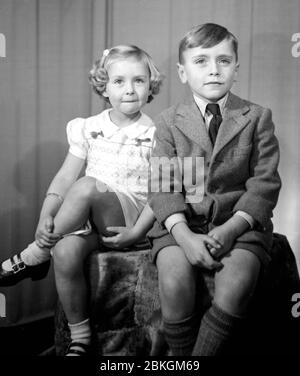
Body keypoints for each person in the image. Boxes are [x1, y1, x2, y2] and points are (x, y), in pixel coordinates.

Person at [0, 45, 163, 355]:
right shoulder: (88, 128)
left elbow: (162, 192)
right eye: (118, 81)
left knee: (88, 185)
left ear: (150, 85)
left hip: (130, 220)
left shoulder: (156, 134)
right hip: (89, 221)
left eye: (139, 81)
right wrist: (46, 215)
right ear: (103, 85)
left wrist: (138, 231)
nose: (129, 90)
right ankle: (81, 337)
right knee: (64, 250)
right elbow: (64, 177)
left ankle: (35, 255)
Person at [143, 23, 281, 356]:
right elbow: (163, 187)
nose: (214, 70)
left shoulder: (257, 117)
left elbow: (265, 182)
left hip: (240, 223)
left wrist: (234, 228)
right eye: (201, 61)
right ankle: (178, 357)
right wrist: (185, 236)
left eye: (223, 61)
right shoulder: (167, 122)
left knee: (235, 285)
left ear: (236, 68)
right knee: (174, 281)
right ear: (182, 71)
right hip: (181, 223)